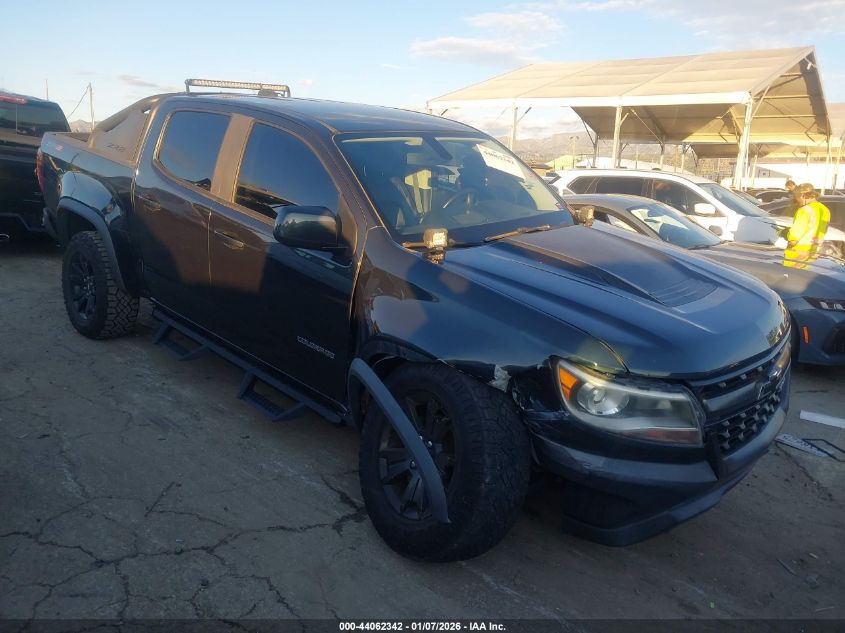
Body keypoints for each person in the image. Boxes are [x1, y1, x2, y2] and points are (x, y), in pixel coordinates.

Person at [783, 183, 831, 268]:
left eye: (797, 198)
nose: (797, 202)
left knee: (788, 275)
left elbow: (794, 238)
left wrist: (787, 238)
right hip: (812, 255)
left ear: (802, 196)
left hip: (796, 256)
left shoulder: (804, 210)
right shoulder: (825, 210)